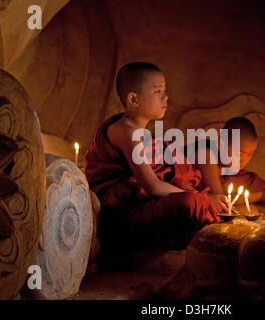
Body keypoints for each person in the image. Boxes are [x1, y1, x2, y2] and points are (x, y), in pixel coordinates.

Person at [85, 62, 220, 268]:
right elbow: (153, 186)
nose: (165, 99)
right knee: (189, 203)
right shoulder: (126, 132)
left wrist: (182, 188)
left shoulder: (141, 134)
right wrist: (205, 200)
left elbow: (162, 176)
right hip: (122, 217)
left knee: (186, 186)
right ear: (133, 99)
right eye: (158, 92)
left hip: (143, 205)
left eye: (164, 91)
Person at [190, 117, 265, 213]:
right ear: (221, 145)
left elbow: (250, 189)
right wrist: (261, 196)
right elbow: (222, 199)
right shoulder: (205, 154)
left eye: (250, 154)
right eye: (239, 154)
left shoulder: (231, 169)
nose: (244, 160)